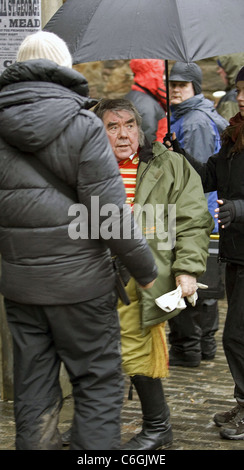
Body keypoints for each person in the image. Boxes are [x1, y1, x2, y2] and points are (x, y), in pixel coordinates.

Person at [0, 31, 158, 450]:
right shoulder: (84, 125)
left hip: (21, 288)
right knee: (97, 382)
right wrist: (146, 271)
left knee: (32, 388)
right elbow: (108, 216)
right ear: (64, 67)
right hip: (81, 287)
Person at [93, 98, 214, 450]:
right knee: (91, 352)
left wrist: (188, 269)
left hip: (139, 276)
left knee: (134, 349)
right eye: (112, 126)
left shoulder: (172, 165)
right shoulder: (88, 166)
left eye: (129, 124)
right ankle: (94, 422)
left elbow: (193, 222)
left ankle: (158, 426)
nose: (122, 134)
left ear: (140, 127)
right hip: (90, 276)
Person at [169, 65, 244, 441]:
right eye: (241, 90)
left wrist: (241, 208)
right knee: (237, 334)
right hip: (236, 249)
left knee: (236, 335)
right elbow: (206, 177)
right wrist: (178, 152)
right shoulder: (235, 134)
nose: (242, 97)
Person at [167, 62, 228, 367]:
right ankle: (201, 347)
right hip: (202, 214)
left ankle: (190, 348)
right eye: (172, 84)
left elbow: (199, 178)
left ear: (195, 88)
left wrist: (191, 220)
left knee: (191, 277)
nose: (175, 89)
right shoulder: (186, 117)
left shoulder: (194, 122)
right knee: (204, 280)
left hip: (197, 214)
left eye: (182, 85)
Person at [124, 59, 167, 143]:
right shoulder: (146, 105)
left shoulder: (135, 96)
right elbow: (148, 144)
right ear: (151, 75)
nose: (164, 77)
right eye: (161, 73)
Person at [216, 53, 244, 121]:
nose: (218, 71)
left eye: (221, 67)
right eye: (238, 91)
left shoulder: (232, 97)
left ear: (230, 69)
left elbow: (230, 128)